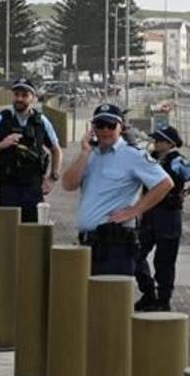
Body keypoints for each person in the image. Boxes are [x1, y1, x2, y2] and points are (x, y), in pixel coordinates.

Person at [62, 103, 174, 276]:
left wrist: (134, 211)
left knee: (111, 300)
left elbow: (165, 183)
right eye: (100, 125)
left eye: (111, 125)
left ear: (120, 127)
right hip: (87, 243)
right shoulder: (89, 154)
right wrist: (84, 153)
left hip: (115, 246)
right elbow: (68, 185)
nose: (105, 130)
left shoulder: (133, 154)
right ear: (93, 128)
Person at [134, 126, 190, 311]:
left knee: (164, 260)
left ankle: (163, 299)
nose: (155, 143)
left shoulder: (178, 161)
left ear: (170, 143)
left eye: (159, 140)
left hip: (168, 214)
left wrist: (185, 193)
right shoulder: (151, 158)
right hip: (150, 213)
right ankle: (148, 291)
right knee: (136, 253)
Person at [0, 78, 62, 222]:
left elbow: (56, 150)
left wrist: (52, 178)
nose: (19, 99)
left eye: (24, 95)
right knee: (5, 235)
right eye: (16, 94)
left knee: (32, 235)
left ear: (33, 98)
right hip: (6, 188)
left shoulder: (41, 122)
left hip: (33, 189)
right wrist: (2, 144)